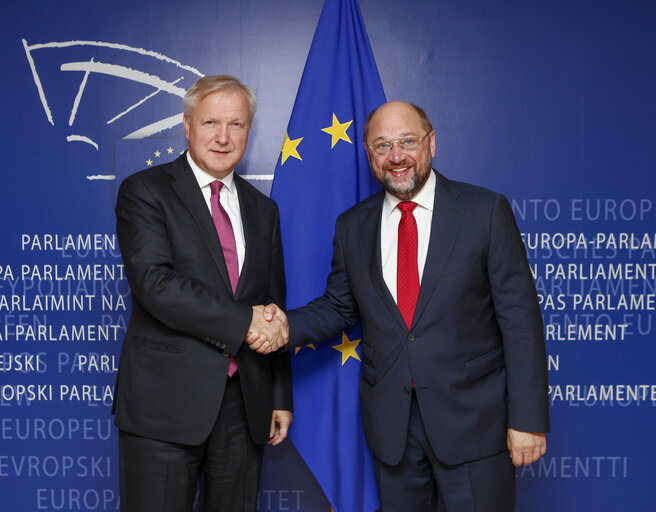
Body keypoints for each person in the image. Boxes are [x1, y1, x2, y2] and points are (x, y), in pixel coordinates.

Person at [253, 101, 549, 511]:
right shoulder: (352, 225)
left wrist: (528, 420)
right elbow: (338, 308)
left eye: (408, 141)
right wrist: (279, 326)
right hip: (393, 431)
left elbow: (521, 322)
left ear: (431, 143)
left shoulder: (484, 211)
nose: (396, 157)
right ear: (369, 155)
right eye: (382, 146)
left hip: (475, 425)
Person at [114, 74, 292, 512]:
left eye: (237, 124)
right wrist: (243, 322)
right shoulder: (145, 191)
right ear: (187, 124)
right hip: (164, 407)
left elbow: (273, 304)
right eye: (211, 122)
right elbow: (156, 285)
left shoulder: (263, 209)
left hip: (244, 405)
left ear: (249, 131)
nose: (224, 137)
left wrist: (279, 396)